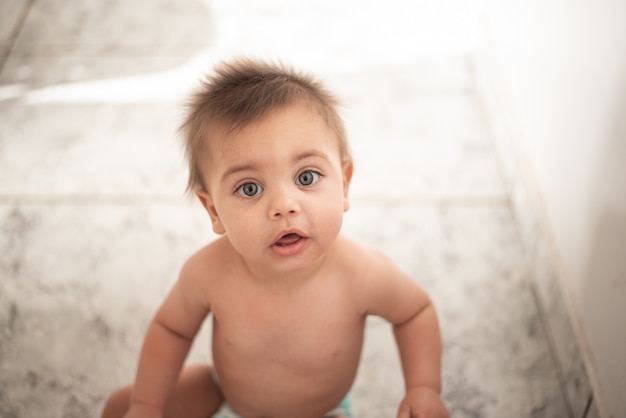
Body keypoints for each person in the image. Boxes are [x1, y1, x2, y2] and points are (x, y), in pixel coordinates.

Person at [101, 58, 449, 418]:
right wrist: (147, 405)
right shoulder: (208, 272)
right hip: (229, 398)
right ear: (214, 212)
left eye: (306, 178)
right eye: (249, 188)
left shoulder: (361, 273)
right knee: (120, 407)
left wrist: (423, 388)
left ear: (344, 184)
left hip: (321, 412)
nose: (283, 206)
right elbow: (172, 329)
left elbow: (414, 313)